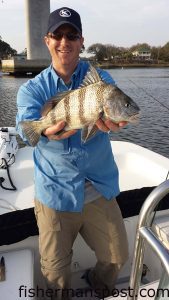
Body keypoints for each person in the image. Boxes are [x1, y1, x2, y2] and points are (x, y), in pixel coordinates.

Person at [16, 7, 128, 300]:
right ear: (47, 40)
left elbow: (112, 108)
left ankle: (97, 281)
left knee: (118, 256)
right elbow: (24, 129)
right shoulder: (32, 90)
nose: (64, 41)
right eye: (58, 35)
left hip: (97, 186)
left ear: (81, 41)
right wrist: (43, 130)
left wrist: (110, 122)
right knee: (55, 277)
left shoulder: (100, 79)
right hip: (56, 190)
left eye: (72, 35)